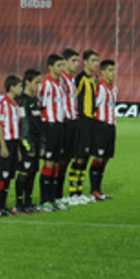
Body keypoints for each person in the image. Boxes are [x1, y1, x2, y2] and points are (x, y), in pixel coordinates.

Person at [69, 49, 100, 202]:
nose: (96, 64)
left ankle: (79, 191)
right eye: (93, 61)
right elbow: (73, 97)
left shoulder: (92, 79)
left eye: (97, 61)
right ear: (86, 62)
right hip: (82, 121)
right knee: (79, 157)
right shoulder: (80, 78)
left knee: (86, 157)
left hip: (91, 121)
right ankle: (72, 192)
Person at [0, 74, 24, 216]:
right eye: (19, 86)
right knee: (2, 175)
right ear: (12, 87)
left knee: (9, 176)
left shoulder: (15, 104)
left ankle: (3, 206)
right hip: (5, 142)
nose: (21, 88)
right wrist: (3, 146)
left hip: (14, 143)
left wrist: (17, 150)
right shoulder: (4, 104)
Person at [38, 53, 66, 210]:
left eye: (62, 65)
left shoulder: (60, 83)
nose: (61, 68)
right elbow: (40, 105)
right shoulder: (46, 84)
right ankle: (44, 200)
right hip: (49, 126)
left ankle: (52, 198)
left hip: (59, 126)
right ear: (50, 67)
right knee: (48, 163)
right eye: (58, 65)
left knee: (56, 162)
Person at [89, 59, 118, 201]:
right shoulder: (99, 87)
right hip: (101, 126)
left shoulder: (113, 88)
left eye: (114, 70)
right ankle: (93, 190)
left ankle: (99, 189)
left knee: (105, 159)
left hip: (111, 126)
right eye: (110, 70)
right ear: (103, 71)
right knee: (98, 157)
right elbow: (93, 106)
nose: (113, 73)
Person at [16, 68, 44, 213]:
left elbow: (39, 125)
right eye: (36, 82)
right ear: (27, 82)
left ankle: (28, 203)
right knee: (24, 172)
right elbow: (24, 126)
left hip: (37, 143)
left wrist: (42, 144)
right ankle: (19, 204)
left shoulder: (35, 100)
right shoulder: (22, 101)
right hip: (27, 144)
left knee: (32, 172)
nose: (38, 86)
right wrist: (29, 146)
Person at [57, 48, 80, 203]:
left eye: (77, 61)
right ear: (64, 62)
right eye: (73, 61)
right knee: (60, 159)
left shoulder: (72, 79)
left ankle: (60, 194)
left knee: (67, 159)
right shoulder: (61, 80)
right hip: (64, 122)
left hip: (73, 121)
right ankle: (56, 194)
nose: (76, 64)